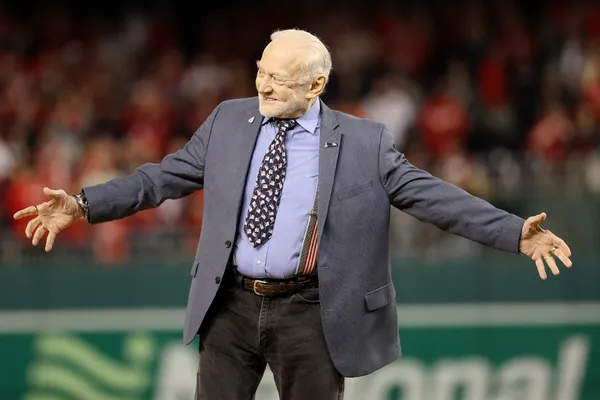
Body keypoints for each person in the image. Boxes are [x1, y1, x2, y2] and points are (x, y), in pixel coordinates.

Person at [13, 29, 573, 400]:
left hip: (313, 313)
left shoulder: (365, 143)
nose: (264, 84)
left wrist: (514, 232)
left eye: (279, 78)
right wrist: (83, 204)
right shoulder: (228, 121)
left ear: (317, 84)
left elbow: (433, 197)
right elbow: (160, 178)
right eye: (261, 70)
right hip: (230, 307)